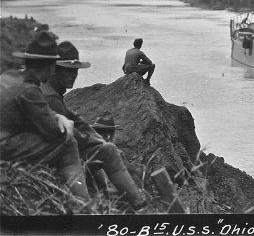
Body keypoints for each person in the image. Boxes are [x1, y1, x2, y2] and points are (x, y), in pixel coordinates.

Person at [43, 41, 146, 209]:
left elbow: (73, 119)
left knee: (104, 149)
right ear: (54, 70)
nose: (73, 75)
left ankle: (116, 196)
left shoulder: (52, 92)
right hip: (56, 152)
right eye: (68, 70)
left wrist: (92, 134)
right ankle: (140, 205)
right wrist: (95, 142)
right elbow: (71, 133)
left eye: (75, 70)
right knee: (110, 151)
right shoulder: (51, 97)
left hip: (54, 147)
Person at [0, 30, 90, 202]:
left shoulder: (8, 76)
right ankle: (83, 202)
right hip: (4, 146)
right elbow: (52, 130)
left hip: (7, 137)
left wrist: (57, 116)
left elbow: (36, 114)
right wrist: (61, 120)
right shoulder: (30, 91)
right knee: (68, 141)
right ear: (49, 67)